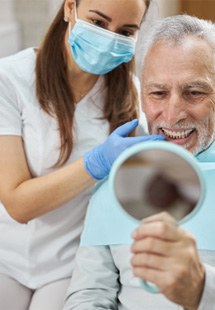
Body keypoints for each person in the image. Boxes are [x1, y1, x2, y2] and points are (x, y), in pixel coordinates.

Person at [0, 0, 164, 309]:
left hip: (68, 264)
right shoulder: (9, 79)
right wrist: (96, 162)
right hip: (5, 256)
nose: (109, 38)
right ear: (69, 8)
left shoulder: (133, 98)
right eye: (99, 23)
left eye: (126, 31)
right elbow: (17, 204)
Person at [64, 15, 215, 310]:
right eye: (158, 93)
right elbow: (89, 293)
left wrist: (201, 288)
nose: (172, 115)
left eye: (194, 92)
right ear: (141, 94)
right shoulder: (115, 186)